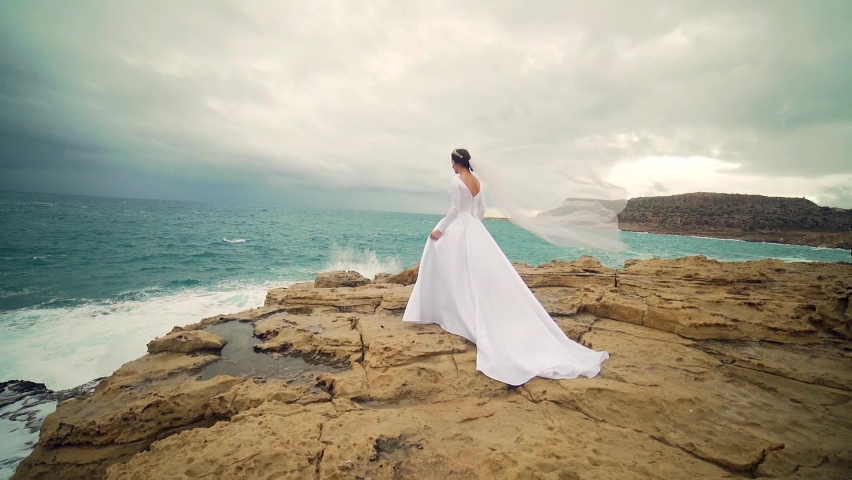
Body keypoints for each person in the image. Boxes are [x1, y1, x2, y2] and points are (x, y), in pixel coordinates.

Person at [402, 148, 610, 386]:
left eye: (452, 163)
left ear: (457, 163)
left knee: (440, 255)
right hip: (473, 227)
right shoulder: (477, 182)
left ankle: (442, 309)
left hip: (459, 225)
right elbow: (478, 211)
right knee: (471, 272)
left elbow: (454, 210)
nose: (451, 166)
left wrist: (442, 229)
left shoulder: (456, 180)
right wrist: (474, 229)